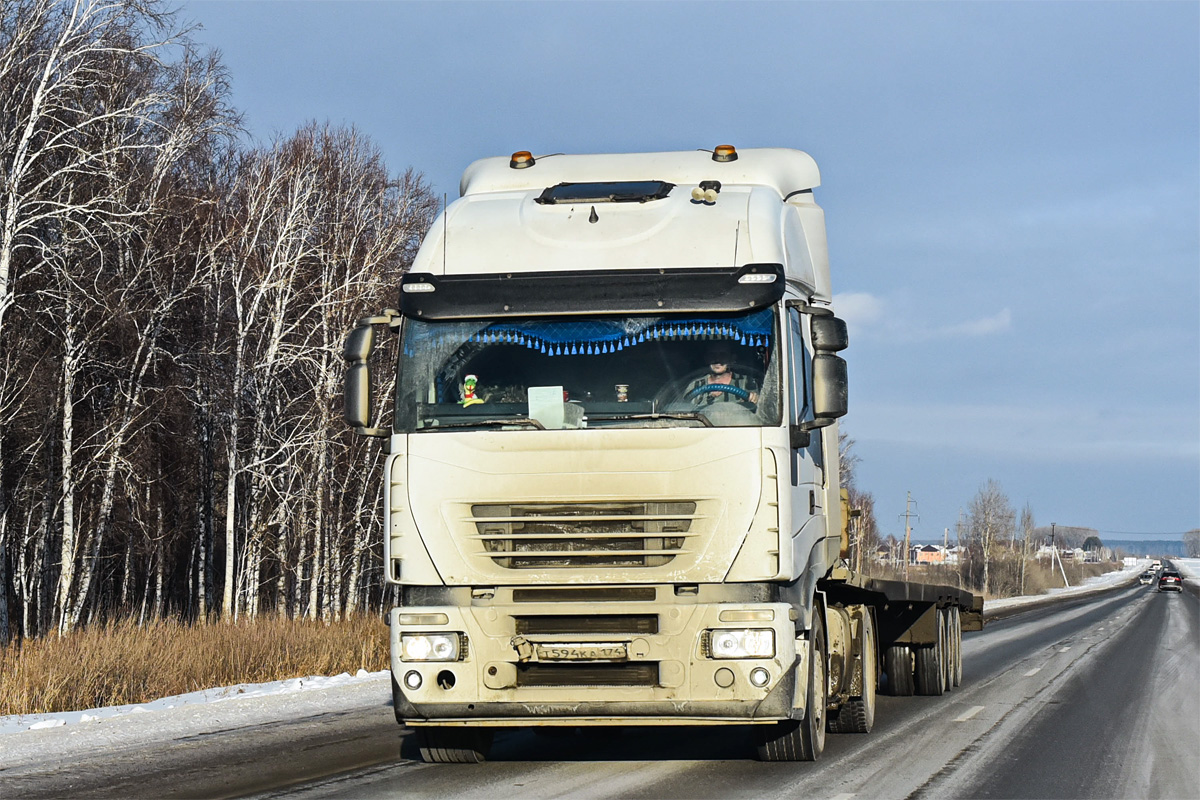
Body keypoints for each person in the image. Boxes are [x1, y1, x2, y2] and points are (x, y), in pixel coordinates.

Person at [688, 343, 759, 406]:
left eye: (723, 354)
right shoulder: (695, 385)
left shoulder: (746, 382)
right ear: (706, 358)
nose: (717, 359)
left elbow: (755, 408)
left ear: (732, 358)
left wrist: (754, 399)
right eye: (712, 355)